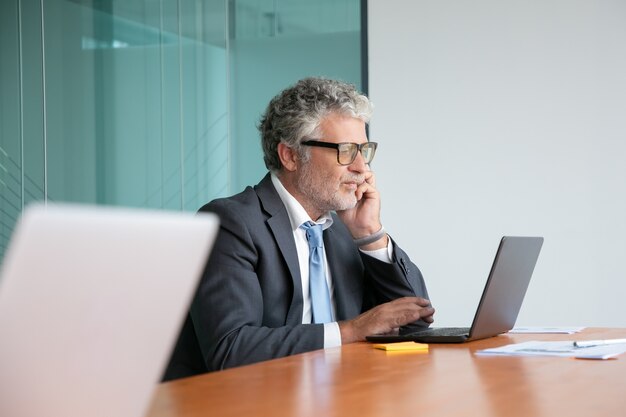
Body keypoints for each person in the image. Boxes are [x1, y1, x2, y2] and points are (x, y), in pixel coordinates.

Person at [180, 77, 434, 374]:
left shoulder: (342, 230)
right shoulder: (231, 223)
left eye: (364, 151)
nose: (362, 168)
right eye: (346, 151)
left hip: (342, 395)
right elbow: (231, 349)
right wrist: (350, 331)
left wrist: (369, 235)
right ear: (290, 156)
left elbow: (416, 322)